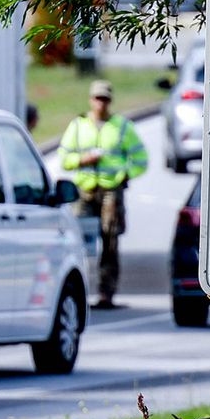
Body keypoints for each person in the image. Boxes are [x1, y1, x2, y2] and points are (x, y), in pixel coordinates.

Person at [58, 79, 148, 309]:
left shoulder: (122, 127)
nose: (101, 103)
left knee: (110, 241)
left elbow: (141, 160)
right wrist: (82, 160)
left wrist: (125, 174)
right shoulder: (78, 126)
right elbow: (64, 159)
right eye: (98, 98)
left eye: (105, 99)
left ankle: (106, 293)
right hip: (84, 191)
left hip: (111, 190)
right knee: (79, 242)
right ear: (91, 100)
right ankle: (78, 291)